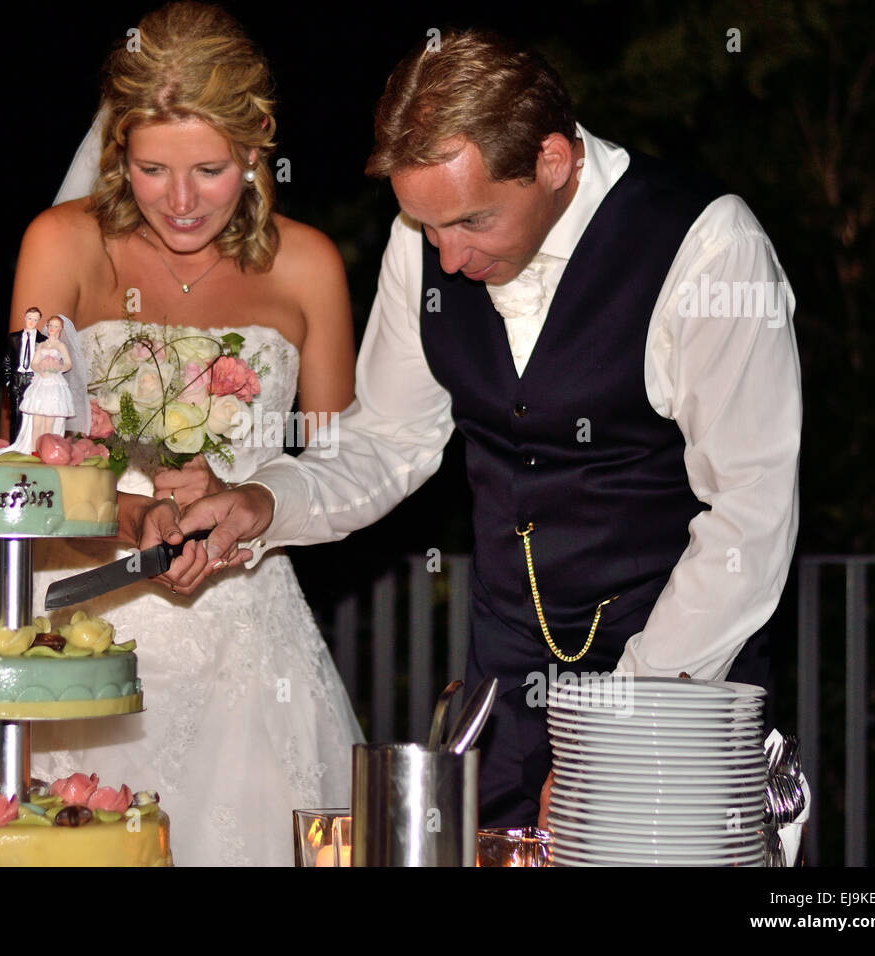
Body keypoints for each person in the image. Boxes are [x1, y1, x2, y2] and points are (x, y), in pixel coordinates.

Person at [150, 29, 802, 830]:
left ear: (553, 162)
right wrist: (263, 500)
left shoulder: (708, 249)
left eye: (473, 222)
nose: (447, 258)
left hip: (680, 692)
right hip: (504, 695)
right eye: (428, 228)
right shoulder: (422, 241)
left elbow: (751, 517)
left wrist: (615, 733)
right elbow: (387, 440)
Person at [0, 1, 364, 866]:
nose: (182, 201)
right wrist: (129, 520)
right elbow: (29, 459)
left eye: (209, 168)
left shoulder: (309, 264)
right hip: (80, 631)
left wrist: (251, 503)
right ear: (118, 145)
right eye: (153, 168)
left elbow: (342, 463)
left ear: (255, 144)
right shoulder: (61, 244)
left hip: (250, 644)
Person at [8, 314, 77, 454]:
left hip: (54, 384)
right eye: (51, 325)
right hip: (41, 382)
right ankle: (33, 450)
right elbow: (34, 363)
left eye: (56, 326)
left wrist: (57, 369)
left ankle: (45, 451)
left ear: (60, 329)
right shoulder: (41, 344)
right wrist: (41, 369)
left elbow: (68, 364)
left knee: (49, 423)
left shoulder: (61, 345)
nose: (52, 328)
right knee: (36, 422)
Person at [4, 306, 46, 440]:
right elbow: (7, 360)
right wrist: (8, 382)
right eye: (29, 318)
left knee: (33, 415)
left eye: (35, 319)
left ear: (39, 321)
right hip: (16, 379)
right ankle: (14, 445)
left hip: (33, 380)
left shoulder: (43, 340)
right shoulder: (13, 338)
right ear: (24, 318)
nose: (31, 322)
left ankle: (29, 445)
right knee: (16, 414)